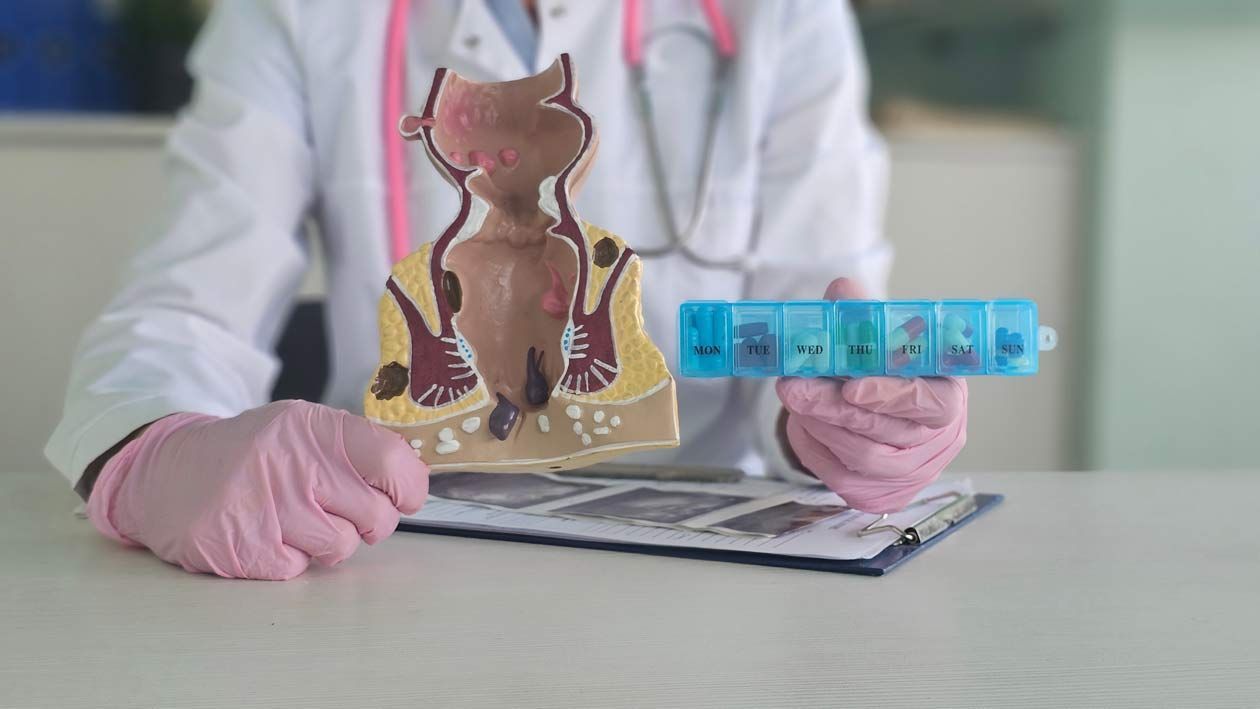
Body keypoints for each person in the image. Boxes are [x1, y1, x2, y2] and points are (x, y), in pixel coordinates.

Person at [46, 0, 966, 580]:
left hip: (717, 564)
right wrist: (153, 447)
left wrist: (842, 415)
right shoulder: (294, 15)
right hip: (378, 549)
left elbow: (817, 320)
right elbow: (184, 307)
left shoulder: (781, 17)